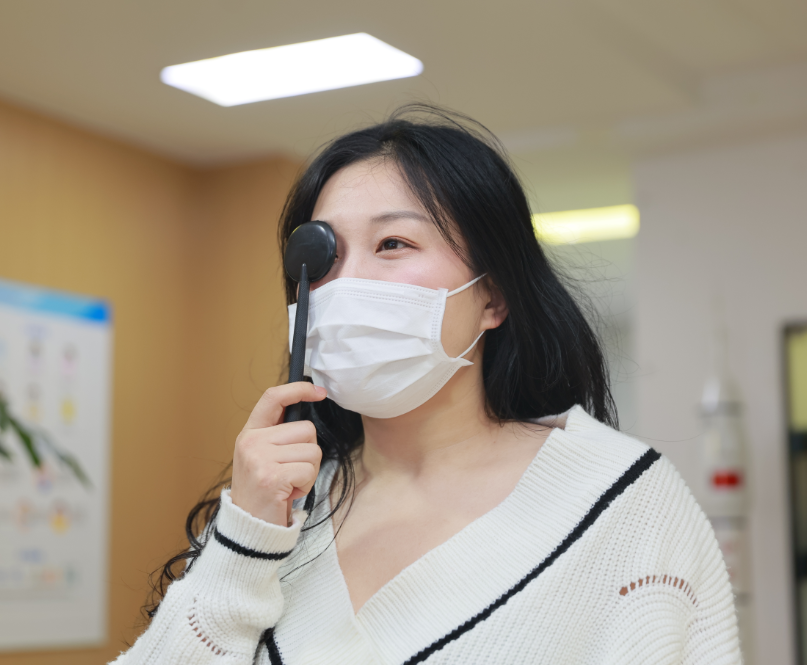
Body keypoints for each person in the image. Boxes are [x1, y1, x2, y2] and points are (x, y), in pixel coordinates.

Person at [112, 106, 742, 664]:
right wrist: (245, 540)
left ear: (492, 296)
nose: (347, 283)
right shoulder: (277, 512)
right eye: (324, 255)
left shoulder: (622, 503)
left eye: (392, 243)